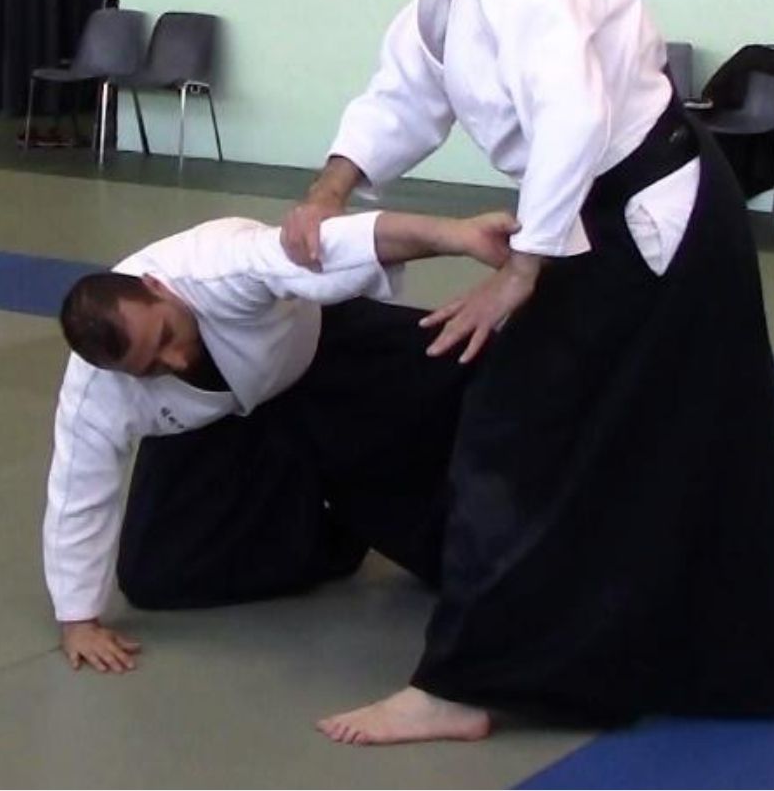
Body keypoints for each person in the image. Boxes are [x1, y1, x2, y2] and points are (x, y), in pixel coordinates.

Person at [282, 0, 774, 745]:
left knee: (520, 428)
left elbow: (572, 110)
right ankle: (754, 646)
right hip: (603, 206)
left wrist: (524, 267)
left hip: (649, 211)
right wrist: (330, 188)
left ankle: (462, 682)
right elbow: (405, 93)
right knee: (684, 426)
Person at [45, 208, 517, 673]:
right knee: (154, 576)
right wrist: (77, 621)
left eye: (167, 335)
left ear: (156, 286)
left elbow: (342, 244)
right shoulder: (97, 391)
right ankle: (330, 535)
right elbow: (78, 491)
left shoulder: (218, 267)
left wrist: (457, 235)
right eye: (150, 367)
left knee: (469, 359)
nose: (175, 360)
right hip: (217, 424)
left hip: (317, 353)